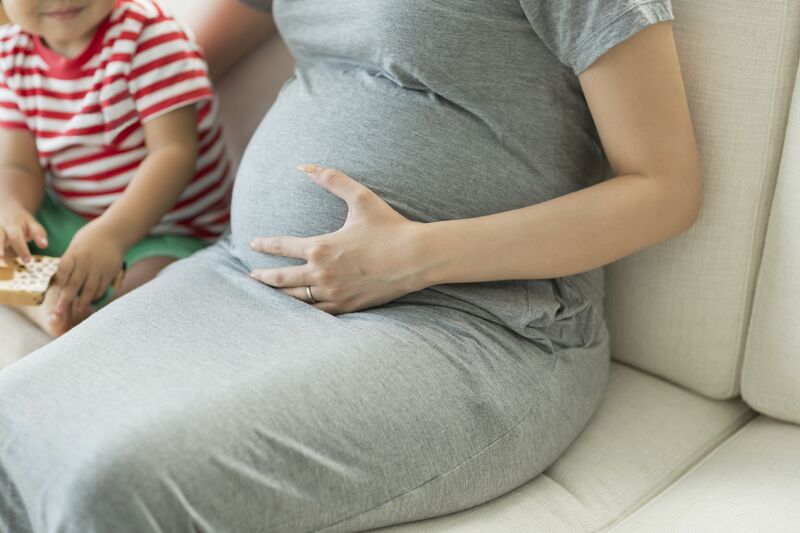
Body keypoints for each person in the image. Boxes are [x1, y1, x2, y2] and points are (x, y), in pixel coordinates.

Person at [0, 0, 702, 531]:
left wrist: (412, 258)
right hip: (244, 276)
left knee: (110, 489)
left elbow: (665, 188)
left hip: (476, 323)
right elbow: (168, 65)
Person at [0, 0, 231, 336]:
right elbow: (17, 165)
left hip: (167, 227)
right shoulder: (11, 52)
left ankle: (90, 314)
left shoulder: (149, 36)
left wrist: (113, 234)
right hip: (71, 214)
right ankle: (47, 304)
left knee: (155, 290)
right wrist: (13, 210)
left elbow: (173, 153)